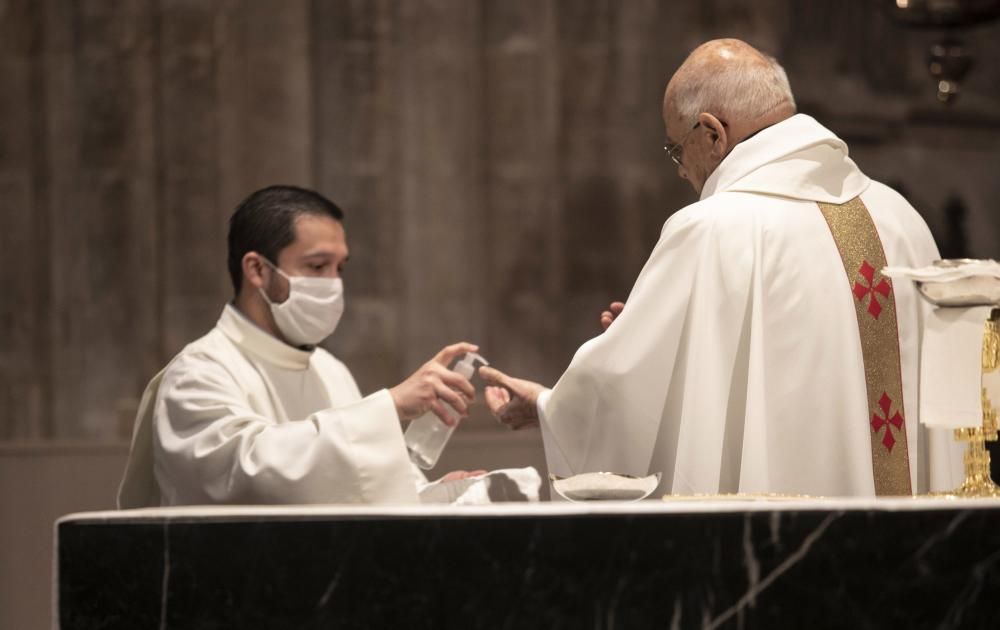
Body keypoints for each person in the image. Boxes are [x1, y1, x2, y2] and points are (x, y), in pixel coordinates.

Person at [480, 39, 962, 497]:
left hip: (785, 555)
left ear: (712, 133)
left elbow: (624, 399)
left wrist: (547, 407)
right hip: (915, 547)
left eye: (676, 149)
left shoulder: (712, 229)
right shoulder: (901, 219)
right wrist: (676, 336)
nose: (679, 170)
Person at [118, 185, 482, 507]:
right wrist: (391, 405)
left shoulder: (330, 369)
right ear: (257, 270)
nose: (334, 284)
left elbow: (355, 484)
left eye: (340, 268)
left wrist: (427, 494)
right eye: (318, 266)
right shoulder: (198, 372)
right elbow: (246, 478)